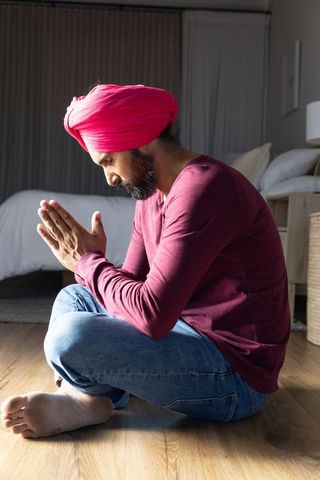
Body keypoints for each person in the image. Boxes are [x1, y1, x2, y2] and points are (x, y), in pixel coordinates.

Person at [1, 84, 290, 438]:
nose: (109, 177)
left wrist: (89, 263)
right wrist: (93, 267)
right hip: (184, 330)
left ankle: (86, 396)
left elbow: (151, 316)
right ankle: (89, 397)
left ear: (142, 140)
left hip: (236, 374)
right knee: (73, 298)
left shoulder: (205, 189)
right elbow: (135, 291)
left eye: (108, 160)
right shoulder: (151, 196)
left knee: (70, 335)